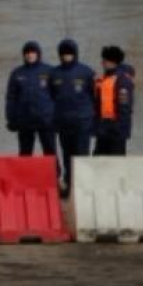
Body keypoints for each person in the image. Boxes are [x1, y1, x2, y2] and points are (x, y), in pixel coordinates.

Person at [48, 38, 96, 196]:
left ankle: (84, 188)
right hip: (63, 123)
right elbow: (51, 96)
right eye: (63, 54)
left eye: (69, 54)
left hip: (82, 122)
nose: (66, 57)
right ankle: (69, 186)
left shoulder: (87, 72)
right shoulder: (54, 74)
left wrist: (92, 119)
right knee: (67, 155)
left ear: (75, 54)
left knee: (82, 156)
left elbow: (93, 96)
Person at [5, 41, 57, 162]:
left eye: (32, 52)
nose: (30, 55)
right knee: (25, 153)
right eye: (27, 53)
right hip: (24, 120)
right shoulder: (17, 73)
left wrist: (57, 117)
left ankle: (54, 176)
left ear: (38, 54)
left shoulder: (50, 71)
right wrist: (10, 118)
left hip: (46, 119)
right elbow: (11, 98)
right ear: (24, 55)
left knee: (50, 150)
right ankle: (23, 176)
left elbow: (57, 96)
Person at [93, 46, 134, 156]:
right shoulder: (102, 80)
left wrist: (119, 129)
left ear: (112, 62)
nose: (102, 63)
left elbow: (124, 107)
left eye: (104, 61)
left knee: (116, 163)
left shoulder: (123, 81)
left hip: (116, 130)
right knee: (98, 161)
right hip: (103, 129)